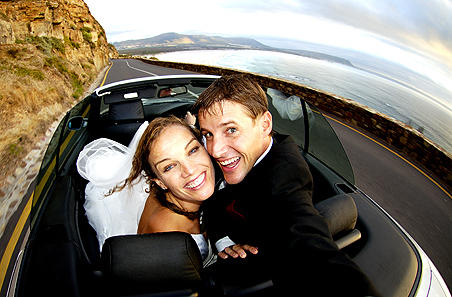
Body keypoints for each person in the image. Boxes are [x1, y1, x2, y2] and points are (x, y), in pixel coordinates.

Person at [191, 74, 381, 296]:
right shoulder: (235, 155)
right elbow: (217, 199)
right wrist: (223, 240)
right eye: (208, 134)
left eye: (231, 130)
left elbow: (303, 239)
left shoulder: (285, 177)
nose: (215, 150)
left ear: (265, 125)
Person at [77, 116, 217, 265]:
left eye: (192, 150)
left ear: (205, 146)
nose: (189, 170)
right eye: (169, 167)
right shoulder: (170, 236)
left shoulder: (163, 193)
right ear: (159, 182)